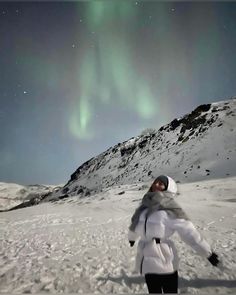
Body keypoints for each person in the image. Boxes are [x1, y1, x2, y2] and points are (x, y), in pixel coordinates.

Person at [128, 175, 220, 294]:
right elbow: (135, 225)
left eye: (161, 184)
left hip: (165, 258)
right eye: (156, 182)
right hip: (146, 260)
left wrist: (208, 253)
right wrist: (132, 238)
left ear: (168, 188)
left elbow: (188, 232)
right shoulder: (143, 208)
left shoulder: (170, 208)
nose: (156, 185)